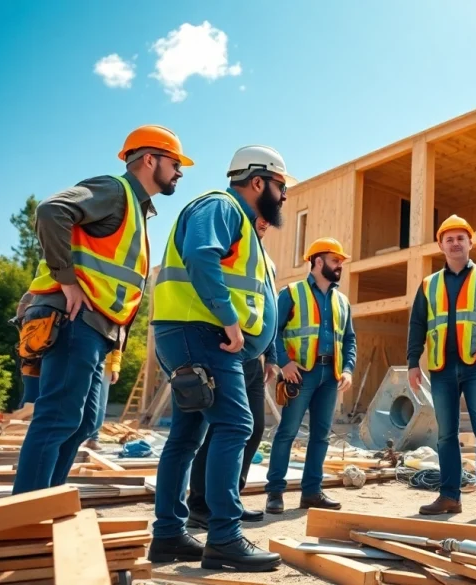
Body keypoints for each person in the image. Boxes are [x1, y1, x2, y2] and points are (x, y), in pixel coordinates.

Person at [13, 125, 190, 495]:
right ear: (149, 160)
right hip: (73, 318)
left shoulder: (136, 209)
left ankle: (46, 501)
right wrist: (67, 280)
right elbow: (51, 211)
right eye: (175, 163)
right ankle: (24, 512)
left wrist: (115, 353)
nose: (179, 172)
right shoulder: (114, 190)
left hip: (95, 329)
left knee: (82, 423)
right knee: (58, 417)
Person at [147, 145, 294, 572]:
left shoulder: (242, 224)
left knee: (187, 435)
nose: (284, 196)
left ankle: (169, 535)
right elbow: (200, 255)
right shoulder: (221, 206)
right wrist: (229, 319)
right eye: (280, 186)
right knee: (236, 425)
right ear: (257, 181)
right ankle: (225, 537)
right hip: (203, 333)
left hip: (194, 334)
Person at [407, 214, 476, 521]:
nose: (455, 243)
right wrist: (413, 362)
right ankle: (450, 496)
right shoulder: (428, 284)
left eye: (460, 238)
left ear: (470, 243)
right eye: (449, 239)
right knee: (446, 435)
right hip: (441, 368)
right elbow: (417, 324)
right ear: (441, 245)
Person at [187, 217, 279, 530]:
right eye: (260, 218)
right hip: (228, 347)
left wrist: (272, 356)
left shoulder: (266, 261)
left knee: (254, 427)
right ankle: (201, 504)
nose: (265, 223)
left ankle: (230, 499)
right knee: (223, 427)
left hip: (254, 356)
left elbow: (268, 312)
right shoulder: (230, 245)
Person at [264, 237, 356, 514]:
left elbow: (349, 339)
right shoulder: (291, 293)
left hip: (331, 375)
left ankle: (312, 493)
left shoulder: (342, 301)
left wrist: (348, 369)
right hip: (300, 374)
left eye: (341, 261)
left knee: (321, 435)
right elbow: (273, 331)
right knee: (287, 432)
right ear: (317, 261)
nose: (339, 265)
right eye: (335, 260)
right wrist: (284, 362)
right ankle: (275, 492)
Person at [84, 351, 120, 450]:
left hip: (105, 365)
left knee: (100, 405)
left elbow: (118, 347)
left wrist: (115, 368)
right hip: (85, 358)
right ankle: (80, 438)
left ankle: (93, 438)